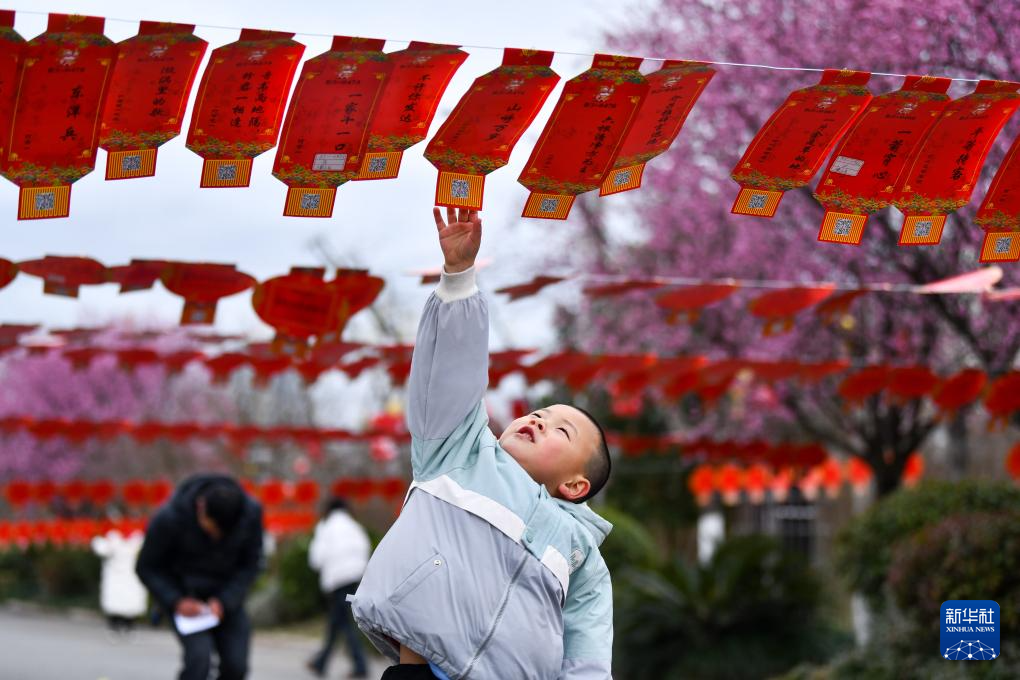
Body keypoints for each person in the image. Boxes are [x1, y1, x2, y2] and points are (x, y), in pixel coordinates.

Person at [350, 208, 615, 679]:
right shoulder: (460, 452)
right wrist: (458, 278)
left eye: (562, 430)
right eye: (540, 413)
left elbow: (587, 646)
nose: (540, 420)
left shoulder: (583, 556)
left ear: (576, 485)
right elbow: (451, 374)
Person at [136, 474, 264, 680]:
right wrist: (176, 600)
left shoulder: (250, 515)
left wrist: (225, 601)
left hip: (226, 599)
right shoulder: (170, 517)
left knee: (236, 666)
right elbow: (147, 567)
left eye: (221, 533)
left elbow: (251, 564)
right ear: (201, 507)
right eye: (212, 528)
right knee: (199, 662)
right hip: (184, 598)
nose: (215, 536)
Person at [306, 496, 371, 678]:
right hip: (355, 578)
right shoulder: (354, 526)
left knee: (344, 623)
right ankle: (321, 662)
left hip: (337, 580)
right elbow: (366, 549)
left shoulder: (326, 527)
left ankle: (360, 665)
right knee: (337, 622)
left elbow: (316, 558)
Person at [92, 526, 148, 637]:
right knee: (115, 601)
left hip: (132, 576)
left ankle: (129, 624)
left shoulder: (138, 538)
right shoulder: (113, 537)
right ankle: (114, 624)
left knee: (130, 602)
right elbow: (102, 549)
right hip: (116, 577)